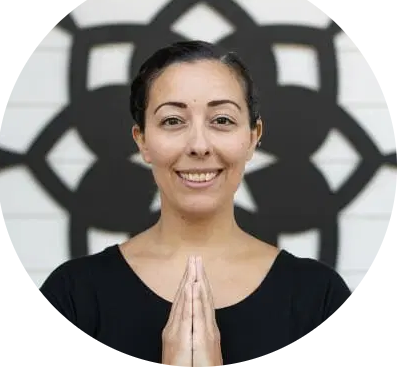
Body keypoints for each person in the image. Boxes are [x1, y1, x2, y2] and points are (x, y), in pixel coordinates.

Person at [40, 40, 351, 366]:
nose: (199, 146)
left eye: (222, 120)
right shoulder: (73, 297)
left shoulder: (320, 299)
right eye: (173, 121)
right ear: (142, 140)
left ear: (253, 138)